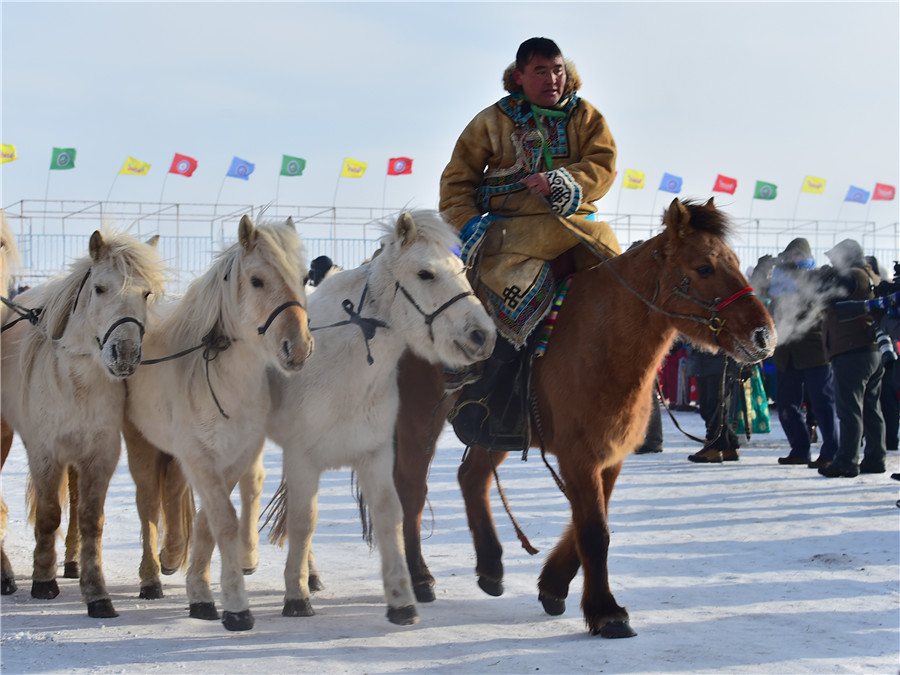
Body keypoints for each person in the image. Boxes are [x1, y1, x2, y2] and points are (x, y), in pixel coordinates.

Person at [441, 37, 620, 450]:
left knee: (626, 286)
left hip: (578, 230)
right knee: (508, 307)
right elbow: (456, 181)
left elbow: (603, 165)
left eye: (557, 69)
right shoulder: (491, 120)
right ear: (519, 76)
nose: (552, 79)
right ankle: (489, 401)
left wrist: (560, 180)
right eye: (540, 71)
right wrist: (468, 224)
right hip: (511, 237)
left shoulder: (586, 115)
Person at [751, 238, 839, 468]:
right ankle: (799, 449)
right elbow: (755, 291)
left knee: (822, 405)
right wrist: (762, 268)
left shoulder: (816, 275)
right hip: (786, 352)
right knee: (786, 405)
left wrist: (790, 268)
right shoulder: (780, 280)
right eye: (790, 256)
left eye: (798, 255)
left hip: (814, 351)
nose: (793, 260)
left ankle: (831, 452)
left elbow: (807, 289)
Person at [818, 239, 886, 478]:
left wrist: (823, 281)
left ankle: (847, 460)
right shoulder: (870, 274)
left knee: (849, 410)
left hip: (850, 349)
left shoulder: (849, 276)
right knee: (871, 408)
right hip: (871, 349)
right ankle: (876, 458)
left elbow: (824, 300)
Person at [685, 347, 742, 463]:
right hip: (701, 360)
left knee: (715, 408)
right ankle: (730, 445)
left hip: (718, 362)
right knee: (708, 409)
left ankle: (715, 447)